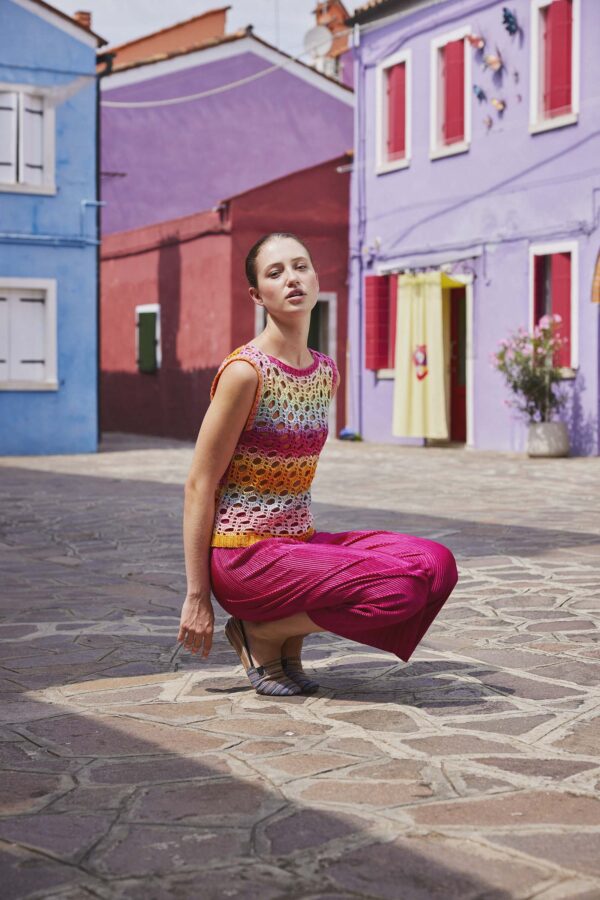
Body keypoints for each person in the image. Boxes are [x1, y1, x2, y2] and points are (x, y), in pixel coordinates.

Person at [178, 232, 458, 696]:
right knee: (398, 588)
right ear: (257, 295)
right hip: (244, 555)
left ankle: (281, 638)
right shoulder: (245, 372)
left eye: (300, 266)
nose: (292, 279)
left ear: (316, 278)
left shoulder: (325, 371)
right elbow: (199, 484)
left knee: (436, 564)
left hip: (298, 544)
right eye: (275, 273)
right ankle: (261, 633)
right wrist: (197, 596)